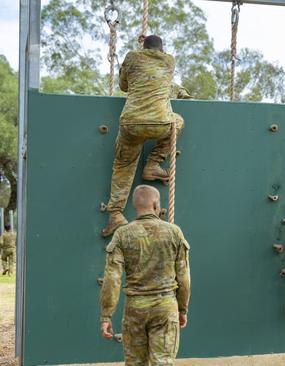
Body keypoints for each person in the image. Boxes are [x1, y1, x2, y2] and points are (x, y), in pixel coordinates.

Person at [102, 35, 184, 237]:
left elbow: (124, 86)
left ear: (143, 46)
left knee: (123, 165)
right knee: (178, 121)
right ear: (161, 49)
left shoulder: (131, 57)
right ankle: (153, 164)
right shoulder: (169, 61)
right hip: (160, 123)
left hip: (132, 123)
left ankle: (115, 215)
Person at [99, 185, 191, 364]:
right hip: (165, 308)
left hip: (135, 310)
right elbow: (184, 277)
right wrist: (182, 309)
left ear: (135, 206)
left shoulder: (122, 234)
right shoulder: (174, 232)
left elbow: (112, 279)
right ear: (156, 204)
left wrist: (106, 315)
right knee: (163, 362)